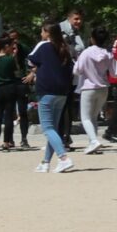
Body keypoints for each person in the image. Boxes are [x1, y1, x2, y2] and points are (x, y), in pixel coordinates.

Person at [29, 21, 75, 173]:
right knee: (53, 129)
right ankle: (45, 162)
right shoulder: (64, 47)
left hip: (46, 90)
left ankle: (63, 158)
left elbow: (31, 60)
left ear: (47, 33)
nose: (41, 34)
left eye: (42, 31)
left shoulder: (43, 45)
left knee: (48, 128)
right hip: (62, 92)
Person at [73, 27, 115, 154]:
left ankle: (93, 141)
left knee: (85, 118)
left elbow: (77, 70)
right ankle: (93, 143)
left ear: (92, 39)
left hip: (88, 88)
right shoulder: (108, 54)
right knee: (94, 117)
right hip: (103, 88)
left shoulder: (86, 53)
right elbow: (115, 72)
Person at [0, 30, 29, 151]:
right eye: (11, 46)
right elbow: (17, 71)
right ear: (6, 47)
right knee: (8, 117)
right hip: (10, 88)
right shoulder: (10, 59)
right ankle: (6, 142)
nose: (13, 48)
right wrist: (14, 57)